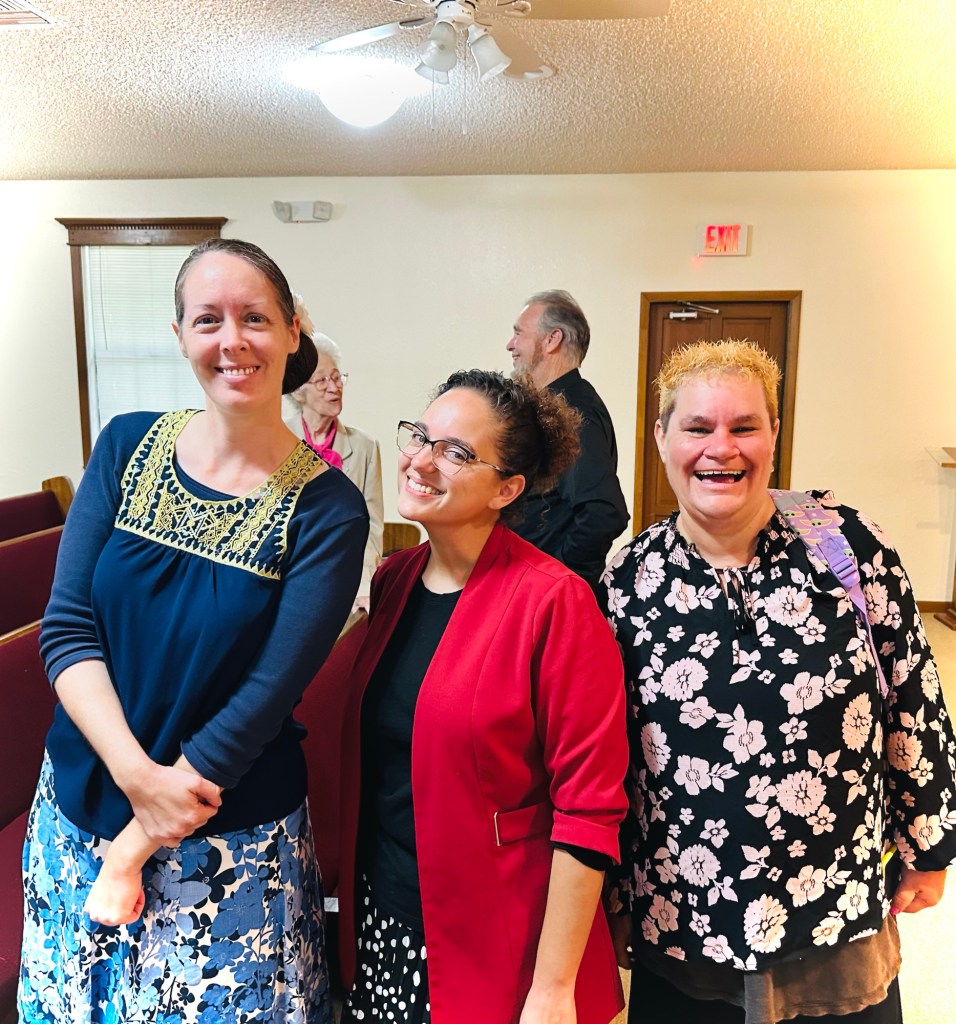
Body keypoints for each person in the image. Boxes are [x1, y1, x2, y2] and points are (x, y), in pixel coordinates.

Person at [20, 238, 369, 1024]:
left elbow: (262, 701)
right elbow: (67, 628)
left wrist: (137, 843)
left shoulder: (328, 510)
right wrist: (136, 781)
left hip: (226, 840)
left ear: (292, 332)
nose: (232, 340)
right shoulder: (124, 444)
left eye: (255, 318)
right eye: (207, 320)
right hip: (80, 808)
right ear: (180, 335)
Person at [602, 339, 956, 1024]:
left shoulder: (848, 547)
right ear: (662, 436)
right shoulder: (631, 579)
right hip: (684, 921)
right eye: (697, 427)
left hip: (837, 912)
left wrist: (929, 845)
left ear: (773, 434)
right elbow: (611, 755)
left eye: (744, 426)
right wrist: (614, 895)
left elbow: (914, 696)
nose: (721, 448)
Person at [337, 369, 629, 1024]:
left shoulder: (553, 603)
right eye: (421, 437)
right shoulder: (395, 579)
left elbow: (589, 811)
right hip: (385, 913)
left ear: (507, 488)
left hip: (497, 941)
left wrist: (553, 988)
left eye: (456, 452)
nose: (421, 461)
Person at [506, 289, 629, 596]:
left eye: (518, 333)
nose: (510, 344)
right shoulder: (553, 405)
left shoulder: (574, 412)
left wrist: (558, 576)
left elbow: (604, 511)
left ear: (552, 339)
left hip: (545, 595)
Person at [283, 323, 384, 611]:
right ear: (298, 392)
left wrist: (365, 587)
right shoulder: (276, 440)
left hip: (344, 578)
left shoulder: (365, 447)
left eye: (337, 377)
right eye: (321, 380)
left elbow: (371, 527)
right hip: (288, 577)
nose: (334, 387)